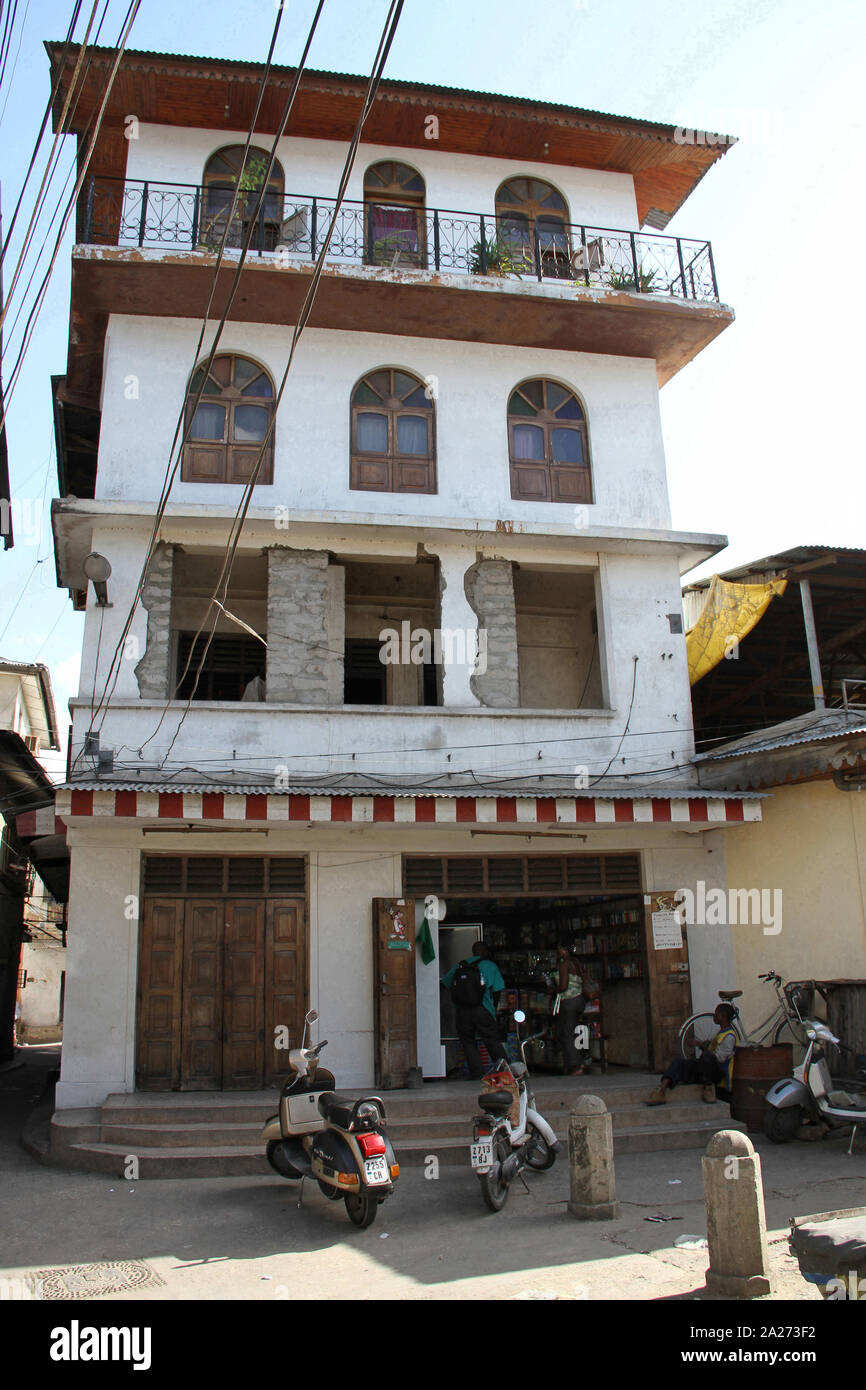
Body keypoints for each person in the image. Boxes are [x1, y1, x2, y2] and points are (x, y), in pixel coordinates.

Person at [646, 1003, 738, 1106]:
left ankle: (709, 1088)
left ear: (723, 1016)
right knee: (679, 1062)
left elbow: (718, 1059)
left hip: (716, 1075)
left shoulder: (729, 1037)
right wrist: (702, 1044)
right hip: (705, 1070)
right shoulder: (721, 1033)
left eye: (716, 1014)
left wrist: (699, 1044)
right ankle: (661, 1091)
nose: (714, 1016)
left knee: (706, 1057)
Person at [440, 940, 507, 1080]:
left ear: (473, 952)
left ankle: (477, 1074)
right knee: (492, 1041)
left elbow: (445, 984)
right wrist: (493, 1006)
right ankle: (504, 1073)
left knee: (468, 1042)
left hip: (463, 1011)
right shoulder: (490, 966)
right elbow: (497, 990)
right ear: (485, 952)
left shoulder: (461, 965)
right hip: (483, 1009)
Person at [556, 944, 591, 1075]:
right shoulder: (576, 962)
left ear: (564, 950)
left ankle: (576, 1065)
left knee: (567, 1033)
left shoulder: (564, 964)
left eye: (558, 949)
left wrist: (554, 989)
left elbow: (564, 986)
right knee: (576, 1030)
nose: (557, 952)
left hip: (569, 1001)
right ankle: (583, 1059)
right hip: (580, 1001)